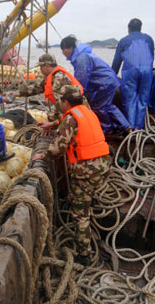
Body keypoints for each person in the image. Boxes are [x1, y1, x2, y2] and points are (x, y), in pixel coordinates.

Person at [33, 86, 111, 266]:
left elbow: (57, 148)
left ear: (66, 102)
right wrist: (52, 125)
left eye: (61, 101)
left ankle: (84, 255)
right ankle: (84, 208)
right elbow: (68, 123)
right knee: (82, 200)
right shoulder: (87, 112)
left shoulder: (70, 118)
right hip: (102, 167)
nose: (59, 104)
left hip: (86, 172)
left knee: (81, 214)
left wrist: (42, 156)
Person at [60, 36, 130, 134]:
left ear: (69, 48)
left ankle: (107, 129)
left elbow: (81, 79)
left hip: (104, 83)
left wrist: (77, 93)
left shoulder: (81, 57)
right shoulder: (82, 54)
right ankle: (124, 126)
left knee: (99, 106)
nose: (62, 53)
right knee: (107, 106)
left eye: (63, 50)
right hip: (107, 81)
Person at [112, 18, 155, 130]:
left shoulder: (123, 41)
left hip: (130, 72)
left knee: (130, 99)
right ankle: (139, 127)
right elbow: (151, 57)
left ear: (128, 29)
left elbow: (117, 62)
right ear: (141, 28)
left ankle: (130, 128)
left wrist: (112, 76)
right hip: (147, 71)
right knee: (143, 99)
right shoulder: (149, 39)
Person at [16, 53, 85, 123]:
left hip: (78, 111)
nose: (40, 69)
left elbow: (61, 103)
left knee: (71, 125)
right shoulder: (51, 76)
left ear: (47, 66)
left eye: (41, 66)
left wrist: (50, 121)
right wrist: (17, 93)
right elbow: (37, 88)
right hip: (72, 109)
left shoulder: (58, 78)